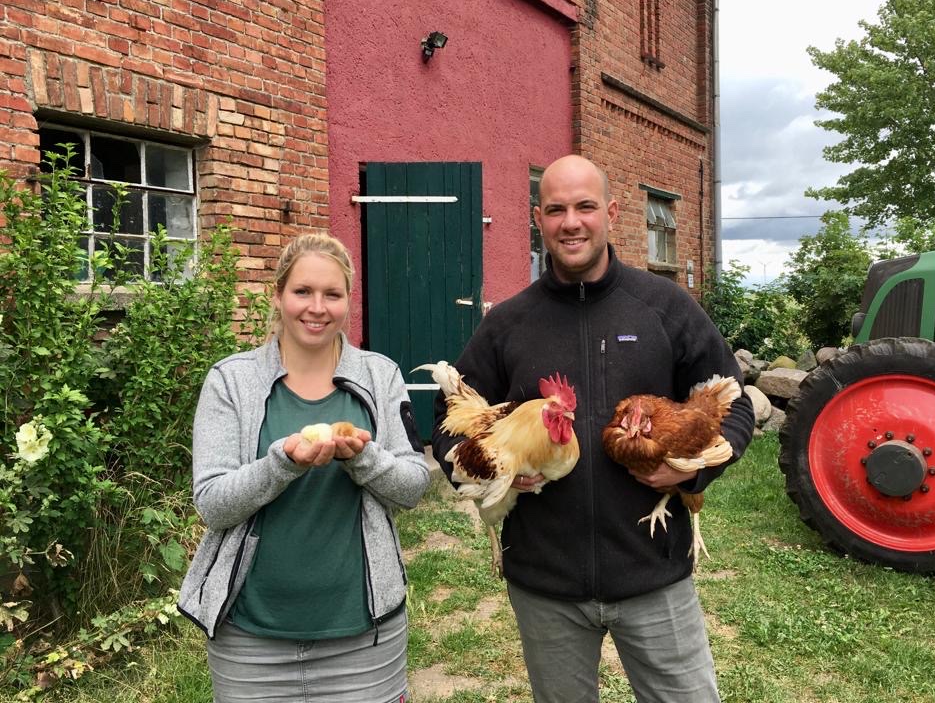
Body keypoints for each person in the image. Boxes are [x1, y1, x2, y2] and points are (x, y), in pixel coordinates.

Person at [431, 154, 754, 703]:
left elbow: (735, 404)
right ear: (538, 218)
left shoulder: (665, 307)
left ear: (612, 212)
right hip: (546, 583)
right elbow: (449, 420)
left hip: (653, 573)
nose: (571, 223)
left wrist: (694, 471)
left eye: (585, 207)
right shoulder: (508, 323)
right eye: (556, 210)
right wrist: (488, 470)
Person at [178, 233, 430, 703]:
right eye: (302, 291)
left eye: (332, 294)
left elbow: (414, 486)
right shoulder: (231, 381)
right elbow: (212, 504)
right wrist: (282, 463)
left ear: (348, 301)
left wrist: (362, 458)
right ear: (278, 295)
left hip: (365, 640)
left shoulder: (381, 376)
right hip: (249, 641)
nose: (317, 307)